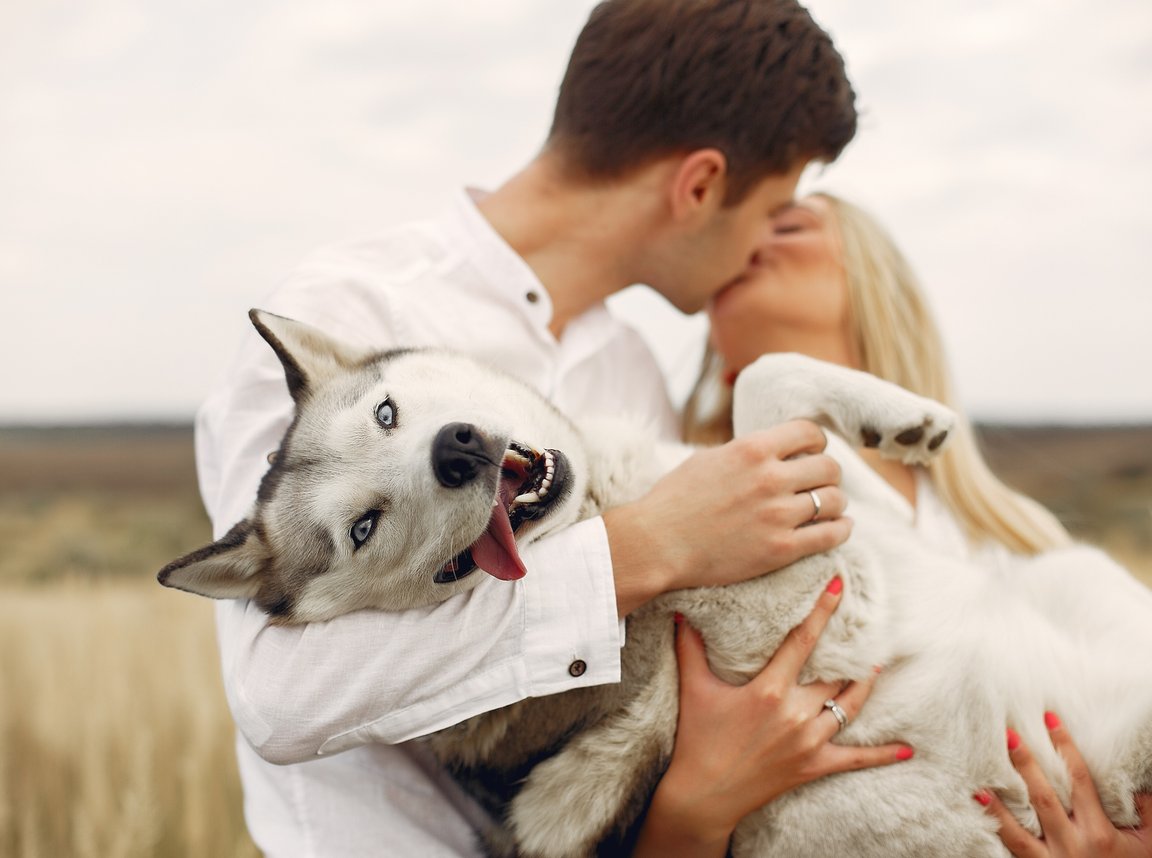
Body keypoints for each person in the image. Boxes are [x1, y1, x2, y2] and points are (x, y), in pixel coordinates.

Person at [195, 4, 908, 855]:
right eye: (772, 209)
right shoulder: (342, 316)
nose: (759, 246)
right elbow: (280, 693)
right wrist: (645, 547)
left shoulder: (630, 370)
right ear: (701, 186)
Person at [679, 190, 1152, 856]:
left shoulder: (1014, 533)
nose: (750, 239)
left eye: (787, 224)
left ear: (874, 282)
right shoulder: (688, 501)